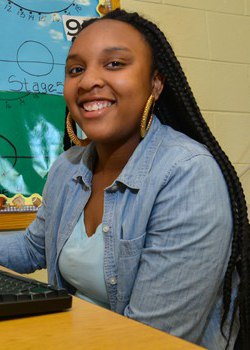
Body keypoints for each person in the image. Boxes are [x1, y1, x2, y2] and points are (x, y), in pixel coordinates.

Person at [0, 8, 249, 350]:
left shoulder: (188, 174)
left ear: (155, 83)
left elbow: (149, 340)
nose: (88, 81)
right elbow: (31, 248)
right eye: (76, 69)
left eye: (114, 64)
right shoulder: (68, 166)